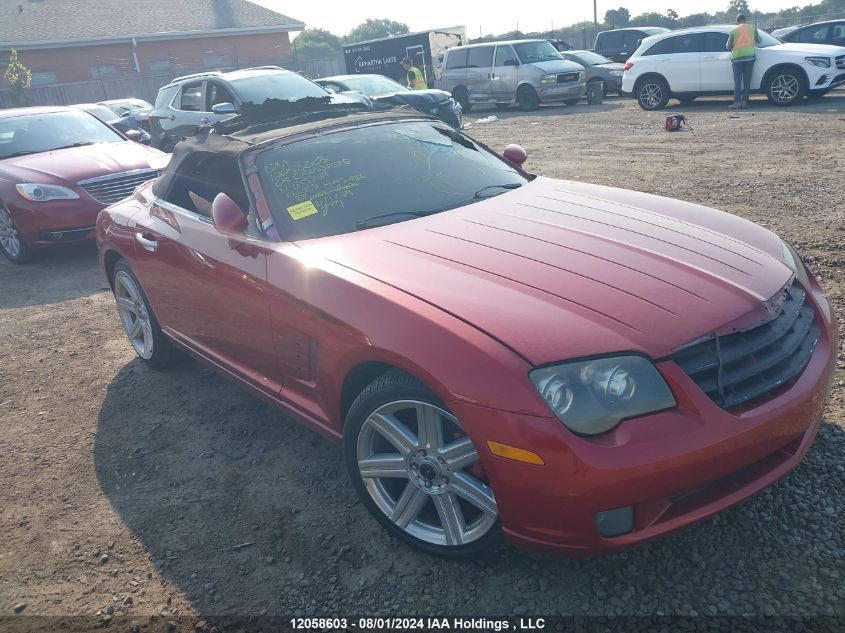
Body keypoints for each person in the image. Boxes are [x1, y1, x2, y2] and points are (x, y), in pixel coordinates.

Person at [726, 14, 761, 109]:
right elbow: (759, 40)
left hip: (737, 59)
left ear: (737, 21)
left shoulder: (734, 30)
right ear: (745, 20)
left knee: (737, 82)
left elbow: (728, 47)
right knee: (747, 81)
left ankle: (737, 103)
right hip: (749, 58)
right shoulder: (753, 28)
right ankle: (745, 102)